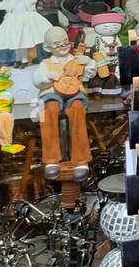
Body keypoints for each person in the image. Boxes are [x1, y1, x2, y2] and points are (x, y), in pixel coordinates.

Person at [30, 26, 94, 181]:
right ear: (47, 47)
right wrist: (49, 76)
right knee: (48, 110)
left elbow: (88, 75)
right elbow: (37, 80)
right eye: (57, 44)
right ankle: (51, 160)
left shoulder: (76, 59)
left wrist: (89, 62)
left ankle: (81, 160)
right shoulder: (46, 63)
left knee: (78, 109)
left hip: (74, 93)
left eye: (65, 42)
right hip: (51, 92)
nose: (63, 46)